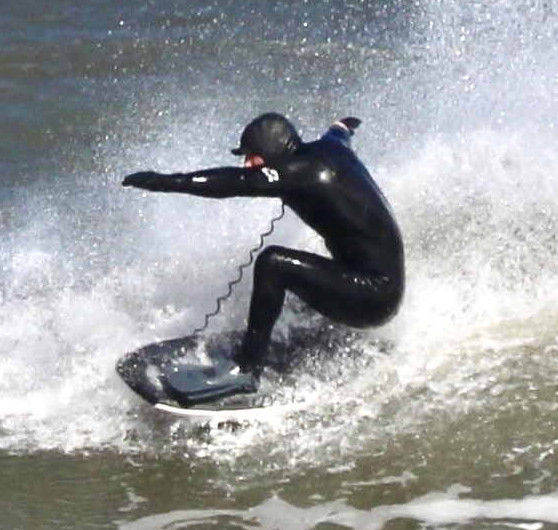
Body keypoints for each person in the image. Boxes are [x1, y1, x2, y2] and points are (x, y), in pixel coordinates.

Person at [122, 113, 404, 397]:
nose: (247, 164)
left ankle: (245, 371)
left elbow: (232, 182)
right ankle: (299, 333)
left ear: (271, 149)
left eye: (252, 156)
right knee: (289, 284)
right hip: (379, 284)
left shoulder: (301, 172)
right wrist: (344, 126)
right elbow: (338, 134)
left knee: (274, 264)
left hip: (374, 298)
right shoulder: (330, 148)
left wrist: (168, 181)